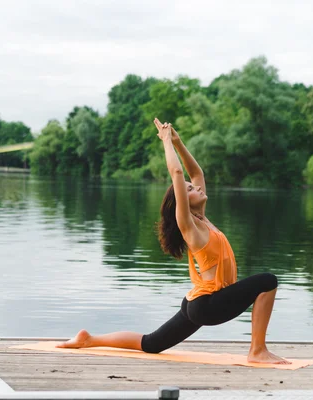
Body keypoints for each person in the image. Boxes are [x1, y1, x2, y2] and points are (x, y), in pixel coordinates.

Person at [57, 118, 289, 364]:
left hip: (198, 303)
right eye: (189, 189)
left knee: (151, 343)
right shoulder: (188, 225)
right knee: (268, 281)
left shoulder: (202, 219)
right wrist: (166, 141)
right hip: (208, 305)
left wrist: (178, 142)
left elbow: (195, 172)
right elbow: (177, 172)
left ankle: (89, 339)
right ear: (183, 201)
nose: (197, 187)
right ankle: (257, 351)